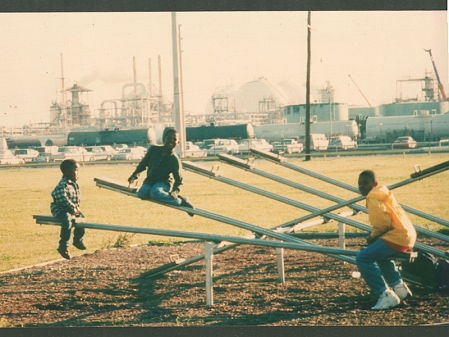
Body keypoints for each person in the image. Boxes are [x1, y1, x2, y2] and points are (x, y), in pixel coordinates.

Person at [356, 170, 417, 310]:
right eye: (359, 183)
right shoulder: (382, 193)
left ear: (374, 183)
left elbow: (382, 223)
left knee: (363, 258)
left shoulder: (373, 196)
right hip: (406, 234)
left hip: (397, 236)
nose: (361, 186)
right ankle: (399, 288)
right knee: (381, 255)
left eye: (365, 183)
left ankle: (385, 294)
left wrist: (371, 237)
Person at [128, 128, 195, 216]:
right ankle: (170, 197)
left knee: (155, 192)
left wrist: (175, 191)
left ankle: (181, 200)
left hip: (163, 183)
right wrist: (134, 175)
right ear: (164, 139)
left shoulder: (174, 159)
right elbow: (143, 164)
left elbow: (179, 180)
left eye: (174, 139)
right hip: (150, 181)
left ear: (178, 143)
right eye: (169, 138)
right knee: (142, 193)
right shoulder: (153, 150)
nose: (171, 141)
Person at [50, 159, 86, 260]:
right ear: (67, 172)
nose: (78, 173)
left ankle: (77, 239)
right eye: (76, 170)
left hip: (71, 209)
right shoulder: (63, 184)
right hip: (60, 209)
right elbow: (59, 196)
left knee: (82, 219)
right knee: (67, 221)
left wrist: (76, 207)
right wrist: (72, 207)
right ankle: (63, 245)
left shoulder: (73, 183)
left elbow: (75, 198)